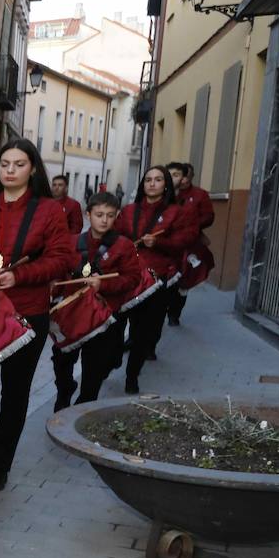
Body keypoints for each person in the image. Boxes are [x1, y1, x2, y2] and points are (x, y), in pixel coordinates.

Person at [0, 138, 73, 491]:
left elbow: (62, 259)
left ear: (33, 169)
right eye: (5, 164)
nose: (10, 170)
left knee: (14, 392)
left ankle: (0, 464)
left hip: (27, 313)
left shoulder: (48, 210)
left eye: (19, 164)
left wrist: (20, 275)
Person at [51, 192, 142, 410]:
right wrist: (53, 285)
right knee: (61, 360)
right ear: (88, 214)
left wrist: (104, 285)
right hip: (72, 314)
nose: (104, 220)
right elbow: (59, 269)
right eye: (99, 214)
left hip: (104, 317)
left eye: (110, 215)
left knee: (94, 369)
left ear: (117, 216)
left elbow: (132, 279)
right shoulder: (72, 242)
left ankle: (84, 407)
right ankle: (65, 391)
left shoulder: (124, 246)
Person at [117, 165, 191, 393]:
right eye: (148, 179)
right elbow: (116, 236)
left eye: (158, 179)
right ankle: (113, 360)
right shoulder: (129, 210)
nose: (152, 183)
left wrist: (158, 243)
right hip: (126, 278)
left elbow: (183, 243)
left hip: (156, 281)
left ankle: (132, 376)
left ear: (166, 184)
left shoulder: (176, 212)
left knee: (142, 332)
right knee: (115, 327)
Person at [166, 161, 215, 326]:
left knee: (185, 281)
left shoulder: (200, 195)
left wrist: (192, 225)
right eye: (179, 175)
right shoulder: (167, 194)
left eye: (186, 175)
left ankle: (174, 313)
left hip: (189, 244)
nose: (183, 179)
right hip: (167, 244)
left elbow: (208, 217)